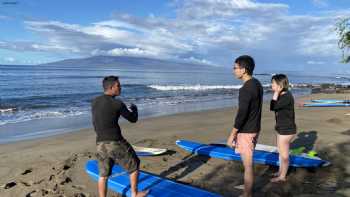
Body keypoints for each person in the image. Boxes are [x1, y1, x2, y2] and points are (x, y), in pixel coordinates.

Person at [91, 76, 148, 197]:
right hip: (115, 142)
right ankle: (135, 193)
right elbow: (133, 119)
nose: (120, 88)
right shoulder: (117, 103)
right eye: (118, 86)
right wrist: (135, 109)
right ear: (111, 87)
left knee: (103, 175)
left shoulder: (95, 101)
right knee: (134, 165)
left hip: (100, 143)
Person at [226, 55, 263, 197]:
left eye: (235, 68)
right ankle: (248, 185)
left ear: (244, 70)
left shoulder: (245, 89)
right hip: (254, 128)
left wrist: (232, 135)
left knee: (247, 165)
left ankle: (247, 193)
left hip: (247, 131)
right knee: (247, 162)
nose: (233, 70)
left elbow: (241, 115)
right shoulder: (257, 83)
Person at [270, 74, 297, 182]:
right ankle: (281, 171)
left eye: (273, 83)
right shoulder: (284, 95)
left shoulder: (286, 97)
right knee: (281, 153)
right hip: (282, 128)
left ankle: (282, 176)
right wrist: (277, 93)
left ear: (280, 85)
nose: (271, 85)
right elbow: (274, 106)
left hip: (286, 130)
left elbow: (273, 106)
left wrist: (276, 93)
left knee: (284, 155)